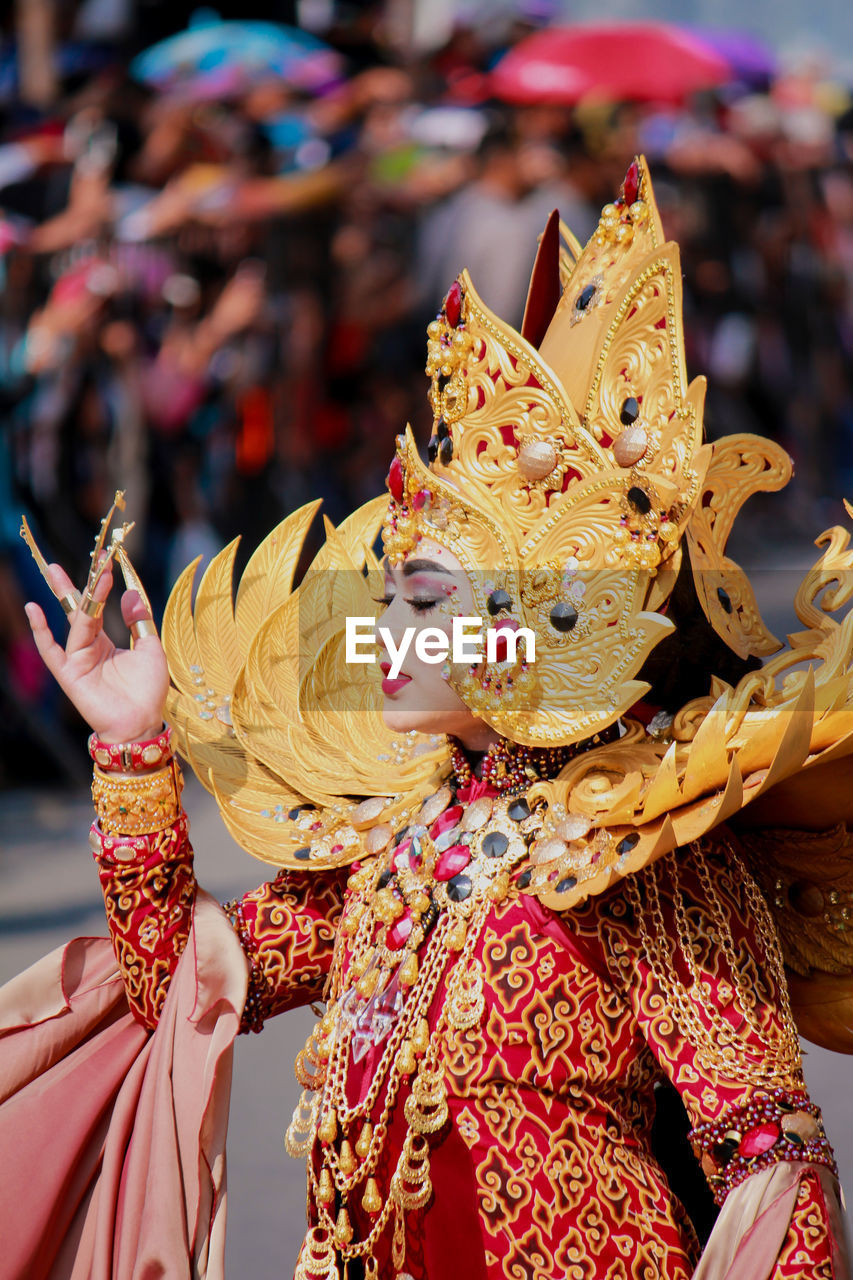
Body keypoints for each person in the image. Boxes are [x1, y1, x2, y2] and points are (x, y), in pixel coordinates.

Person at [4, 158, 853, 1280]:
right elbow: (179, 986)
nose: (382, 635)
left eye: (421, 603)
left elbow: (771, 1158)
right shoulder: (390, 848)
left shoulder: (644, 859)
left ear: (527, 633)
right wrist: (131, 744)